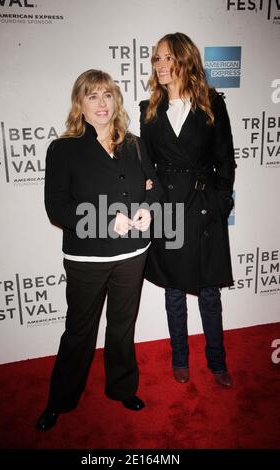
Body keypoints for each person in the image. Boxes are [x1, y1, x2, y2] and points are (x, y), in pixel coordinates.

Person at [36, 69, 162, 431]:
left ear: (116, 100)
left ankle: (122, 388)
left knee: (122, 327)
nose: (101, 103)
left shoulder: (135, 144)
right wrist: (107, 221)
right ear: (80, 104)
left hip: (132, 255)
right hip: (86, 259)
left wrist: (146, 206)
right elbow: (57, 208)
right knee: (79, 331)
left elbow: (154, 189)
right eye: (92, 96)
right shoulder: (64, 149)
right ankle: (60, 400)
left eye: (107, 95)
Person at [139, 33, 236, 388]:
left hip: (204, 207)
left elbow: (226, 158)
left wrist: (221, 201)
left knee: (210, 292)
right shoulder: (148, 111)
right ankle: (180, 358)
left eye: (167, 58)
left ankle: (217, 361)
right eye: (156, 59)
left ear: (184, 60)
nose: (160, 66)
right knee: (175, 291)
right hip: (168, 209)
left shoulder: (211, 103)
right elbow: (146, 164)